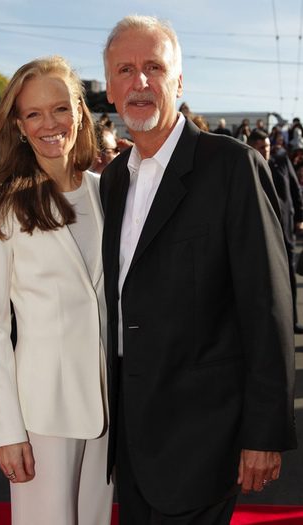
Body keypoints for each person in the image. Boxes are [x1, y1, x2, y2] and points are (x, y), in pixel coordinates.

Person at [100, 15, 296, 525]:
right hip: (132, 437)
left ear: (179, 82)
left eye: (154, 67)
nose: (140, 82)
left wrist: (264, 432)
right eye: (125, 69)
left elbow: (267, 303)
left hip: (205, 433)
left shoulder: (231, 166)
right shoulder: (114, 179)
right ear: (109, 88)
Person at [0, 56, 113, 525]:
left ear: (80, 114)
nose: (51, 124)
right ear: (19, 126)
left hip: (109, 408)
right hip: (41, 413)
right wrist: (6, 430)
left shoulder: (108, 192)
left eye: (61, 109)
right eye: (33, 113)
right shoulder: (3, 207)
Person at [248, 129, 303, 334]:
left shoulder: (281, 161)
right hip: (260, 234)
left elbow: (295, 189)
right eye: (261, 148)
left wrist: (299, 217)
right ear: (252, 147)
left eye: (268, 147)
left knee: (288, 276)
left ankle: (292, 321)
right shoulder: (245, 166)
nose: (266, 151)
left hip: (285, 229)